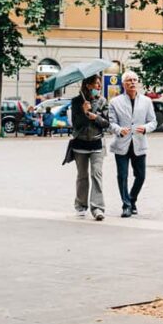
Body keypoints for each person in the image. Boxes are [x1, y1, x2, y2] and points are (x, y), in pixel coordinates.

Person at [108, 71, 157, 218]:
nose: (132, 82)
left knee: (141, 176)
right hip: (121, 144)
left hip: (139, 143)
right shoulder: (115, 102)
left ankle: (132, 199)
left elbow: (153, 121)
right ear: (123, 84)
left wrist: (146, 128)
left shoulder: (147, 101)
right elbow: (111, 123)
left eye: (135, 80)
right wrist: (119, 129)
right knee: (122, 176)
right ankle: (126, 205)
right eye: (129, 80)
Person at [70, 74, 110, 221]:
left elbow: (107, 123)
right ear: (88, 85)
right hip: (80, 143)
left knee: (97, 174)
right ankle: (80, 205)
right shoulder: (76, 101)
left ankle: (97, 208)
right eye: (96, 84)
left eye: (99, 84)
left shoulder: (103, 101)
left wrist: (95, 117)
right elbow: (75, 124)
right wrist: (83, 111)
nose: (99, 87)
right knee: (82, 176)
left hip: (97, 143)